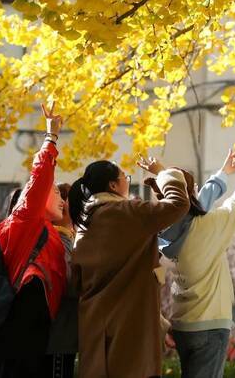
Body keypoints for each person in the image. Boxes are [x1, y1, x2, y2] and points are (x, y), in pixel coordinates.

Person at [69, 159, 190, 377]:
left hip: (95, 331)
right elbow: (179, 204)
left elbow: (76, 283)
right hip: (130, 332)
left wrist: (159, 323)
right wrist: (163, 173)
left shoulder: (84, 224)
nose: (128, 181)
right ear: (113, 185)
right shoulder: (129, 212)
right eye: (125, 177)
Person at [0, 103, 68, 377]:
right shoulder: (25, 221)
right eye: (55, 191)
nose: (61, 199)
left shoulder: (46, 230)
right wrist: (51, 137)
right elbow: (39, 177)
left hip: (34, 332)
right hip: (20, 333)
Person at [167, 144, 235, 378]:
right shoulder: (208, 226)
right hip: (209, 326)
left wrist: (224, 172)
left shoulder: (164, 229)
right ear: (191, 195)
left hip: (182, 324)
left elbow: (194, 205)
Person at [45, 182, 78, 378]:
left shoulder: (68, 238)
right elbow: (68, 283)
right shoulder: (59, 239)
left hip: (64, 333)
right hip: (59, 334)